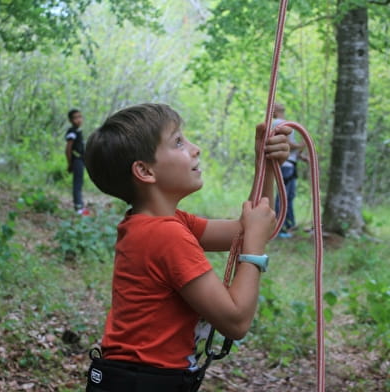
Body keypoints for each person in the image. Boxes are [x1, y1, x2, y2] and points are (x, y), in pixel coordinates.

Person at [84, 103, 290, 392]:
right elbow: (236, 319)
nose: (196, 149)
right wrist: (254, 246)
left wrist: (265, 164)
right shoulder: (164, 235)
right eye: (178, 141)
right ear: (144, 171)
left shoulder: (161, 224)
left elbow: (253, 227)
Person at [273, 103, 305, 238]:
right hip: (286, 165)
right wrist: (301, 145)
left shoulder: (280, 123)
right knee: (284, 196)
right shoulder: (280, 123)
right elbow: (286, 144)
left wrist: (300, 155)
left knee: (288, 196)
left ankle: (288, 225)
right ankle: (281, 227)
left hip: (289, 164)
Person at [65, 109, 88, 214]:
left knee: (79, 182)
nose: (78, 119)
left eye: (80, 117)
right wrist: (70, 163)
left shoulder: (78, 131)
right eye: (75, 117)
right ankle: (78, 207)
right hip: (76, 160)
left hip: (81, 160)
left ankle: (80, 205)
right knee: (77, 184)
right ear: (70, 120)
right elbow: (68, 149)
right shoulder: (72, 132)